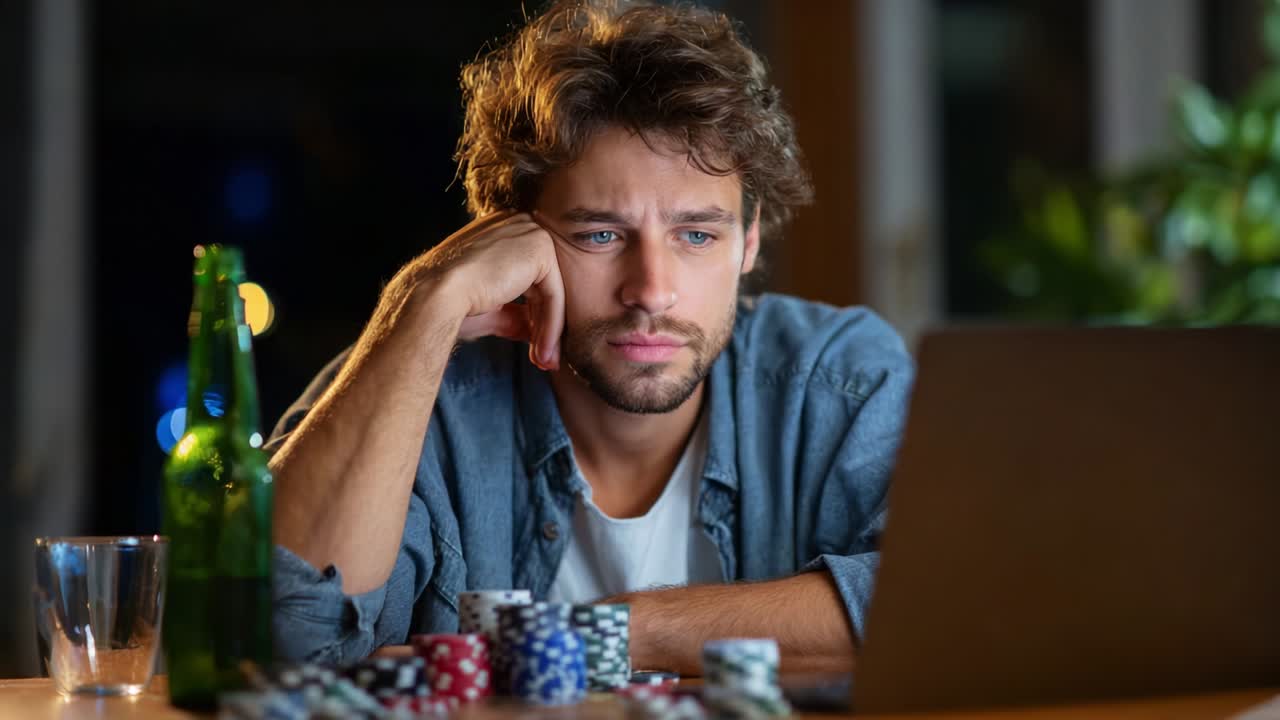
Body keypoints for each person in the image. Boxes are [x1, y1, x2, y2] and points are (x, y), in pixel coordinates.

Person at [266, 0, 913, 676]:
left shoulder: (836, 377)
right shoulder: (419, 385)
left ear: (748, 243)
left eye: (697, 234)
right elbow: (285, 635)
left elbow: (930, 605)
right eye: (599, 234)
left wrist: (610, 632)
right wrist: (423, 302)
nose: (651, 289)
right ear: (509, 240)